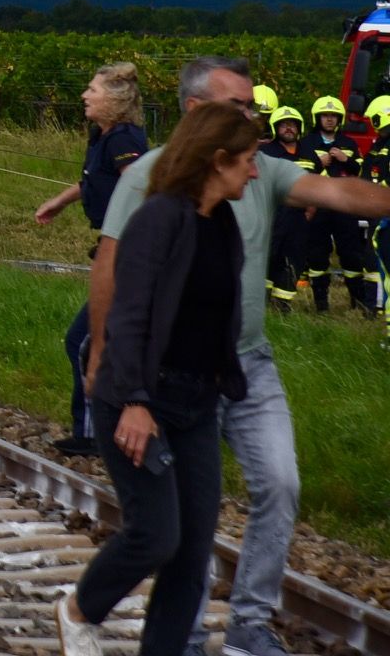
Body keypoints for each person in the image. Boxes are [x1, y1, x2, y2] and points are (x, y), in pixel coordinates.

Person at [89, 57, 390, 656]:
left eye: (254, 106)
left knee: (279, 482)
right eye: (242, 106)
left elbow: (338, 191)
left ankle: (250, 624)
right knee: (183, 523)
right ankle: (181, 628)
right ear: (199, 112)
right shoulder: (151, 182)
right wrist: (105, 362)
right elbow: (111, 274)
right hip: (173, 375)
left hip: (245, 363)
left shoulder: (256, 173)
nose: (256, 117)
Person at [57, 102, 258, 656]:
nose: (255, 171)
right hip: (136, 397)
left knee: (192, 556)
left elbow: (215, 316)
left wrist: (227, 379)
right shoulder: (158, 219)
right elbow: (128, 316)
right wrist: (136, 402)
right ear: (218, 160)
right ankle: (78, 611)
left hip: (196, 401)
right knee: (156, 535)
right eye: (247, 160)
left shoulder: (221, 224)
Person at [34, 61, 149, 453]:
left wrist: (123, 246)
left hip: (126, 251)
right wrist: (60, 202)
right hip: (113, 245)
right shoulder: (101, 136)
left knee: (83, 343)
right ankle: (104, 428)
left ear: (115, 102)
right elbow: (92, 181)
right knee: (94, 340)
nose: (84, 95)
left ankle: (95, 435)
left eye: (92, 91)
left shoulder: (124, 141)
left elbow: (142, 189)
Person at [299, 96, 374, 314]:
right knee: (317, 255)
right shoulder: (306, 143)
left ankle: (358, 302)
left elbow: (362, 172)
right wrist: (317, 163)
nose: (330, 120)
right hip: (317, 207)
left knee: (351, 253)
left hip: (344, 207)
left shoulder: (348, 144)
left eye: (333, 116)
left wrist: (345, 160)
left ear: (339, 119)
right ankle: (321, 305)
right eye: (325, 116)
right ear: (317, 118)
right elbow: (297, 173)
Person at [261, 106, 310, 312]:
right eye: (284, 124)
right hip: (273, 214)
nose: (289, 128)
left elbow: (318, 182)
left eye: (292, 125)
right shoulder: (265, 152)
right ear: (276, 127)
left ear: (299, 128)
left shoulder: (309, 153)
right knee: (269, 256)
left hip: (300, 217)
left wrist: (311, 209)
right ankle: (262, 300)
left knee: (294, 257)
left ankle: (283, 304)